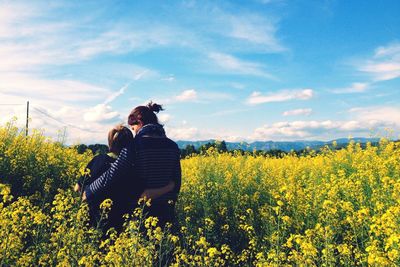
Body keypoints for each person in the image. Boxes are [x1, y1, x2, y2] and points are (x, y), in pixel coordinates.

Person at [83, 102, 181, 229]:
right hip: (166, 210)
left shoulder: (135, 146)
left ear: (139, 123)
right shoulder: (172, 146)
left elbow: (112, 174)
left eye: (133, 129)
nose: (134, 133)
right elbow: (176, 182)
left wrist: (89, 191)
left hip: (141, 213)